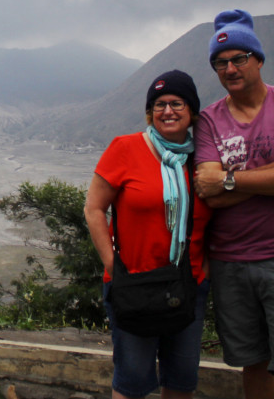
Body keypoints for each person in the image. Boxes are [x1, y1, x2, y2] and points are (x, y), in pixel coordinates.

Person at [193, 9, 274, 399]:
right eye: (221, 63)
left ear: (258, 59)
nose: (230, 68)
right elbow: (208, 193)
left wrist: (230, 179)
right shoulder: (208, 121)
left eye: (239, 58)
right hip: (231, 261)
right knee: (254, 365)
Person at [85, 69, 212, 399]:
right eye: (158, 104)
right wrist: (114, 266)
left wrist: (206, 268)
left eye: (177, 103)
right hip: (135, 284)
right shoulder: (126, 148)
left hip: (189, 283)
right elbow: (94, 208)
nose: (167, 111)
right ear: (149, 112)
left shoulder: (205, 159)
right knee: (132, 381)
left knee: (181, 380)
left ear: (192, 110)